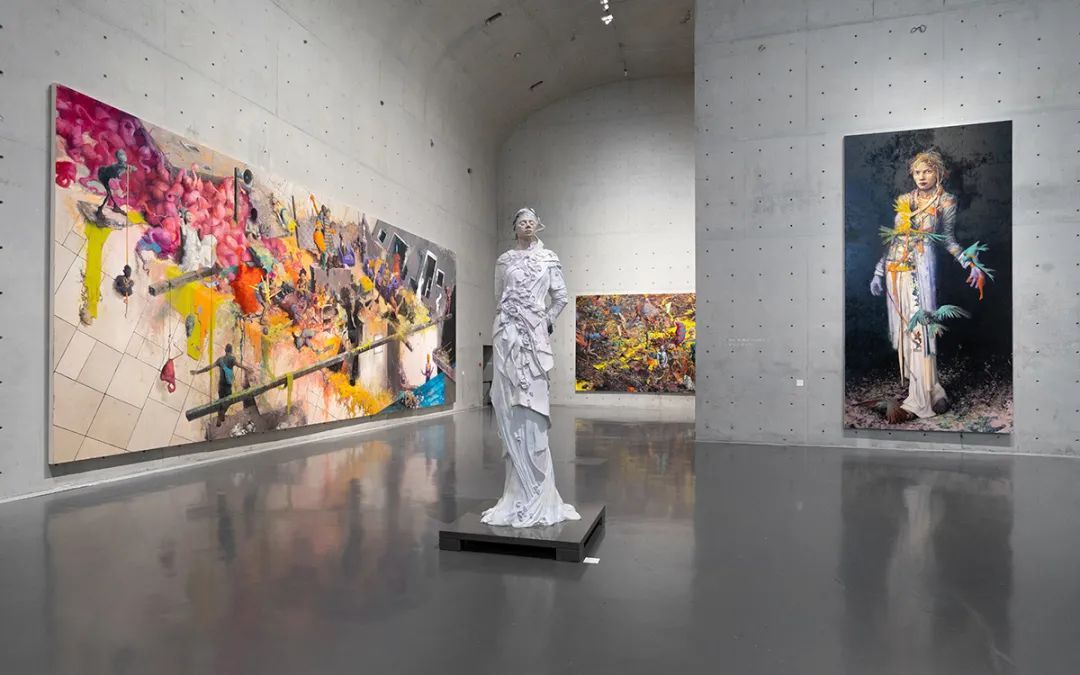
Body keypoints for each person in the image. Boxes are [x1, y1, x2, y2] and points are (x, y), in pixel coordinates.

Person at [868, 149, 987, 421]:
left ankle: (918, 402)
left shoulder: (946, 201)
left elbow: (948, 240)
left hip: (923, 269)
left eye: (928, 171)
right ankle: (933, 390)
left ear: (939, 172)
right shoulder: (904, 200)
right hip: (896, 270)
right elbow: (894, 239)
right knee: (907, 332)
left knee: (921, 330)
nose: (922, 177)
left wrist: (970, 264)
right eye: (917, 172)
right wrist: (877, 272)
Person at [482, 207, 580, 528]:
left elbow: (561, 297)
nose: (527, 224)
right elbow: (498, 297)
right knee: (509, 406)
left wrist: (545, 320)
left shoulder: (549, 258)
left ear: (538, 225)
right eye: (521, 221)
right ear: (514, 227)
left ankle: (538, 490)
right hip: (507, 335)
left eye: (531, 221)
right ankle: (516, 491)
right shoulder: (504, 260)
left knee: (534, 409)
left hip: (535, 339)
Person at [191, 344, 254, 427]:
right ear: (231, 350)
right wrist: (248, 368)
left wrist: (197, 372)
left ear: (225, 350)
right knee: (228, 401)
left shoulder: (220, 360)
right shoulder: (232, 359)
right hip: (227, 385)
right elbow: (240, 365)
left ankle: (220, 416)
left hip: (221, 385)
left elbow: (208, 368)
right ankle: (221, 414)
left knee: (221, 401)